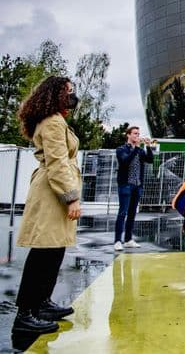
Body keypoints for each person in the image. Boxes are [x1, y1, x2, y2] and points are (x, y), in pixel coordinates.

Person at [13, 76, 82, 334]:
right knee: (44, 252)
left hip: (55, 191)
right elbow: (57, 163)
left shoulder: (56, 119)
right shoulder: (52, 122)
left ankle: (42, 303)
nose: (72, 96)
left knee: (55, 250)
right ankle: (26, 313)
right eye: (68, 91)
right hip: (52, 193)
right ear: (54, 94)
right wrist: (71, 197)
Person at [114, 126, 154, 251]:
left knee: (132, 214)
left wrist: (147, 146)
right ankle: (117, 241)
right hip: (126, 185)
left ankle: (128, 239)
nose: (137, 136)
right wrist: (136, 147)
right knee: (122, 213)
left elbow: (150, 160)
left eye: (138, 133)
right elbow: (125, 161)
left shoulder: (140, 151)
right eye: (135, 133)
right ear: (128, 135)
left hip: (137, 185)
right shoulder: (121, 149)